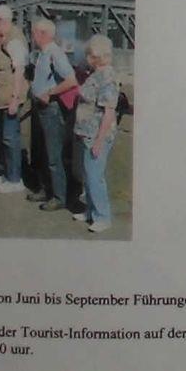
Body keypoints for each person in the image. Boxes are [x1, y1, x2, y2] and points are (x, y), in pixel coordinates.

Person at [27, 18, 79, 212]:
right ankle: (46, 189)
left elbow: (71, 80)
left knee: (53, 154)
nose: (32, 36)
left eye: (34, 32)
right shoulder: (43, 53)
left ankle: (59, 196)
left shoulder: (55, 53)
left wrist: (49, 93)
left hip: (51, 110)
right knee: (42, 151)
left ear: (43, 34)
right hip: (41, 108)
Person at [73, 34, 122, 233]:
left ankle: (103, 216)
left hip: (97, 134)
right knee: (88, 174)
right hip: (87, 132)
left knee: (95, 176)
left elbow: (109, 112)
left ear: (96, 56)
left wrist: (100, 141)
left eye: (89, 55)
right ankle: (91, 211)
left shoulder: (107, 77)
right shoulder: (95, 74)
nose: (87, 58)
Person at [0, 7, 28, 195]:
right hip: (2, 98)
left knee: (10, 139)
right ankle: (9, 174)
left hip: (10, 98)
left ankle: (15, 179)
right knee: (5, 137)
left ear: (1, 20)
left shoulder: (14, 41)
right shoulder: (7, 39)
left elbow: (19, 71)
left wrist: (15, 99)